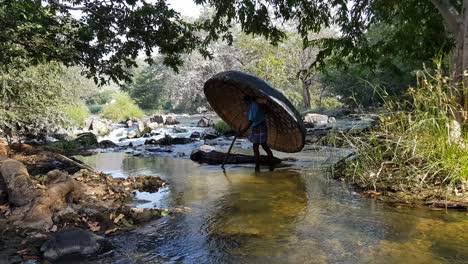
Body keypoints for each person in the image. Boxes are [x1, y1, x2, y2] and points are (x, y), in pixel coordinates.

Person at [239, 95, 275, 172]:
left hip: (257, 127)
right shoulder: (257, 104)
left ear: (248, 101)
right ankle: (271, 164)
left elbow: (250, 121)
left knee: (256, 147)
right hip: (262, 125)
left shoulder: (253, 107)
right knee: (264, 145)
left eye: (245, 102)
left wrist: (243, 130)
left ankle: (257, 166)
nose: (245, 104)